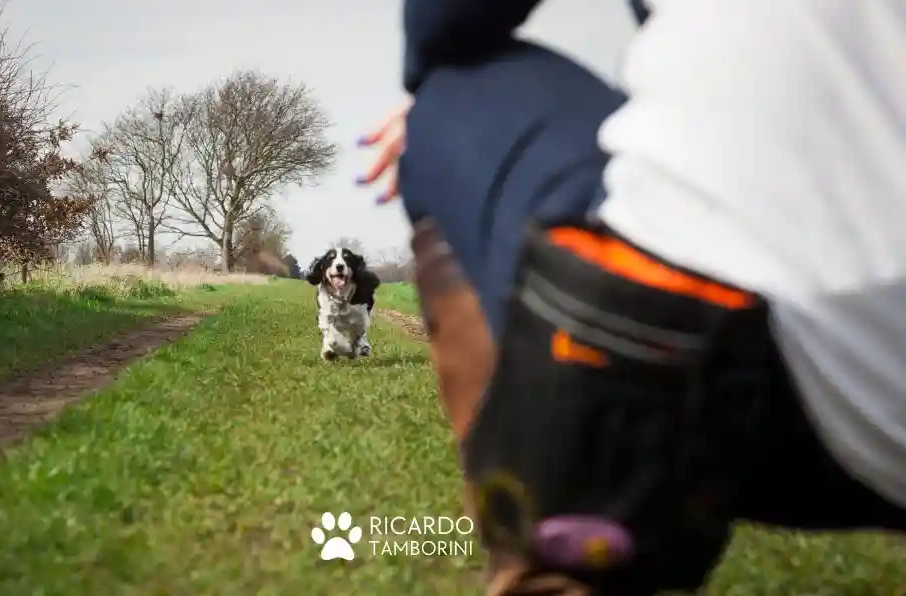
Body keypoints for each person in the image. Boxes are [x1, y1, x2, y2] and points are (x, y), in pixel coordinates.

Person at [357, 1, 906, 594]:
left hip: (750, 367)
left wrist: (422, 79)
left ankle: (554, 555)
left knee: (453, 94)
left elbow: (449, 20)